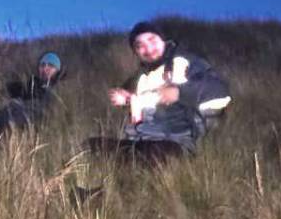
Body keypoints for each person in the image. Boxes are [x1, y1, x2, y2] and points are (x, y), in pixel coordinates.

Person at [87, 22, 231, 161]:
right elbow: (136, 104)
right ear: (136, 52)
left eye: (151, 40)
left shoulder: (183, 62)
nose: (148, 48)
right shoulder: (139, 77)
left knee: (152, 155)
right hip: (140, 141)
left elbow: (218, 89)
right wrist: (127, 100)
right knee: (91, 146)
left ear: (162, 40)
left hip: (177, 144)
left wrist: (180, 93)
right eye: (140, 46)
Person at [0, 51, 65, 148]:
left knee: (2, 121)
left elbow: (50, 106)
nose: (45, 68)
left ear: (57, 69)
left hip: (30, 118)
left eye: (50, 66)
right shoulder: (34, 83)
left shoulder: (60, 87)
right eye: (42, 65)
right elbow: (22, 93)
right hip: (17, 111)